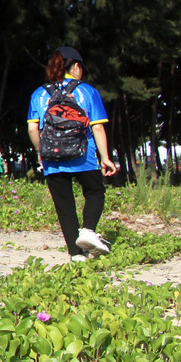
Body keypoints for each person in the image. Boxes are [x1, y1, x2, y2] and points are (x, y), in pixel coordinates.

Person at [28, 46, 118, 261]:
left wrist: (42, 151)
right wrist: (105, 158)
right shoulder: (87, 91)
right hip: (84, 155)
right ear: (76, 66)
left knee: (65, 206)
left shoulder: (39, 93)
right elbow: (97, 127)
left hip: (52, 158)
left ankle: (76, 255)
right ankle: (88, 231)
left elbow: (32, 128)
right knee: (95, 192)